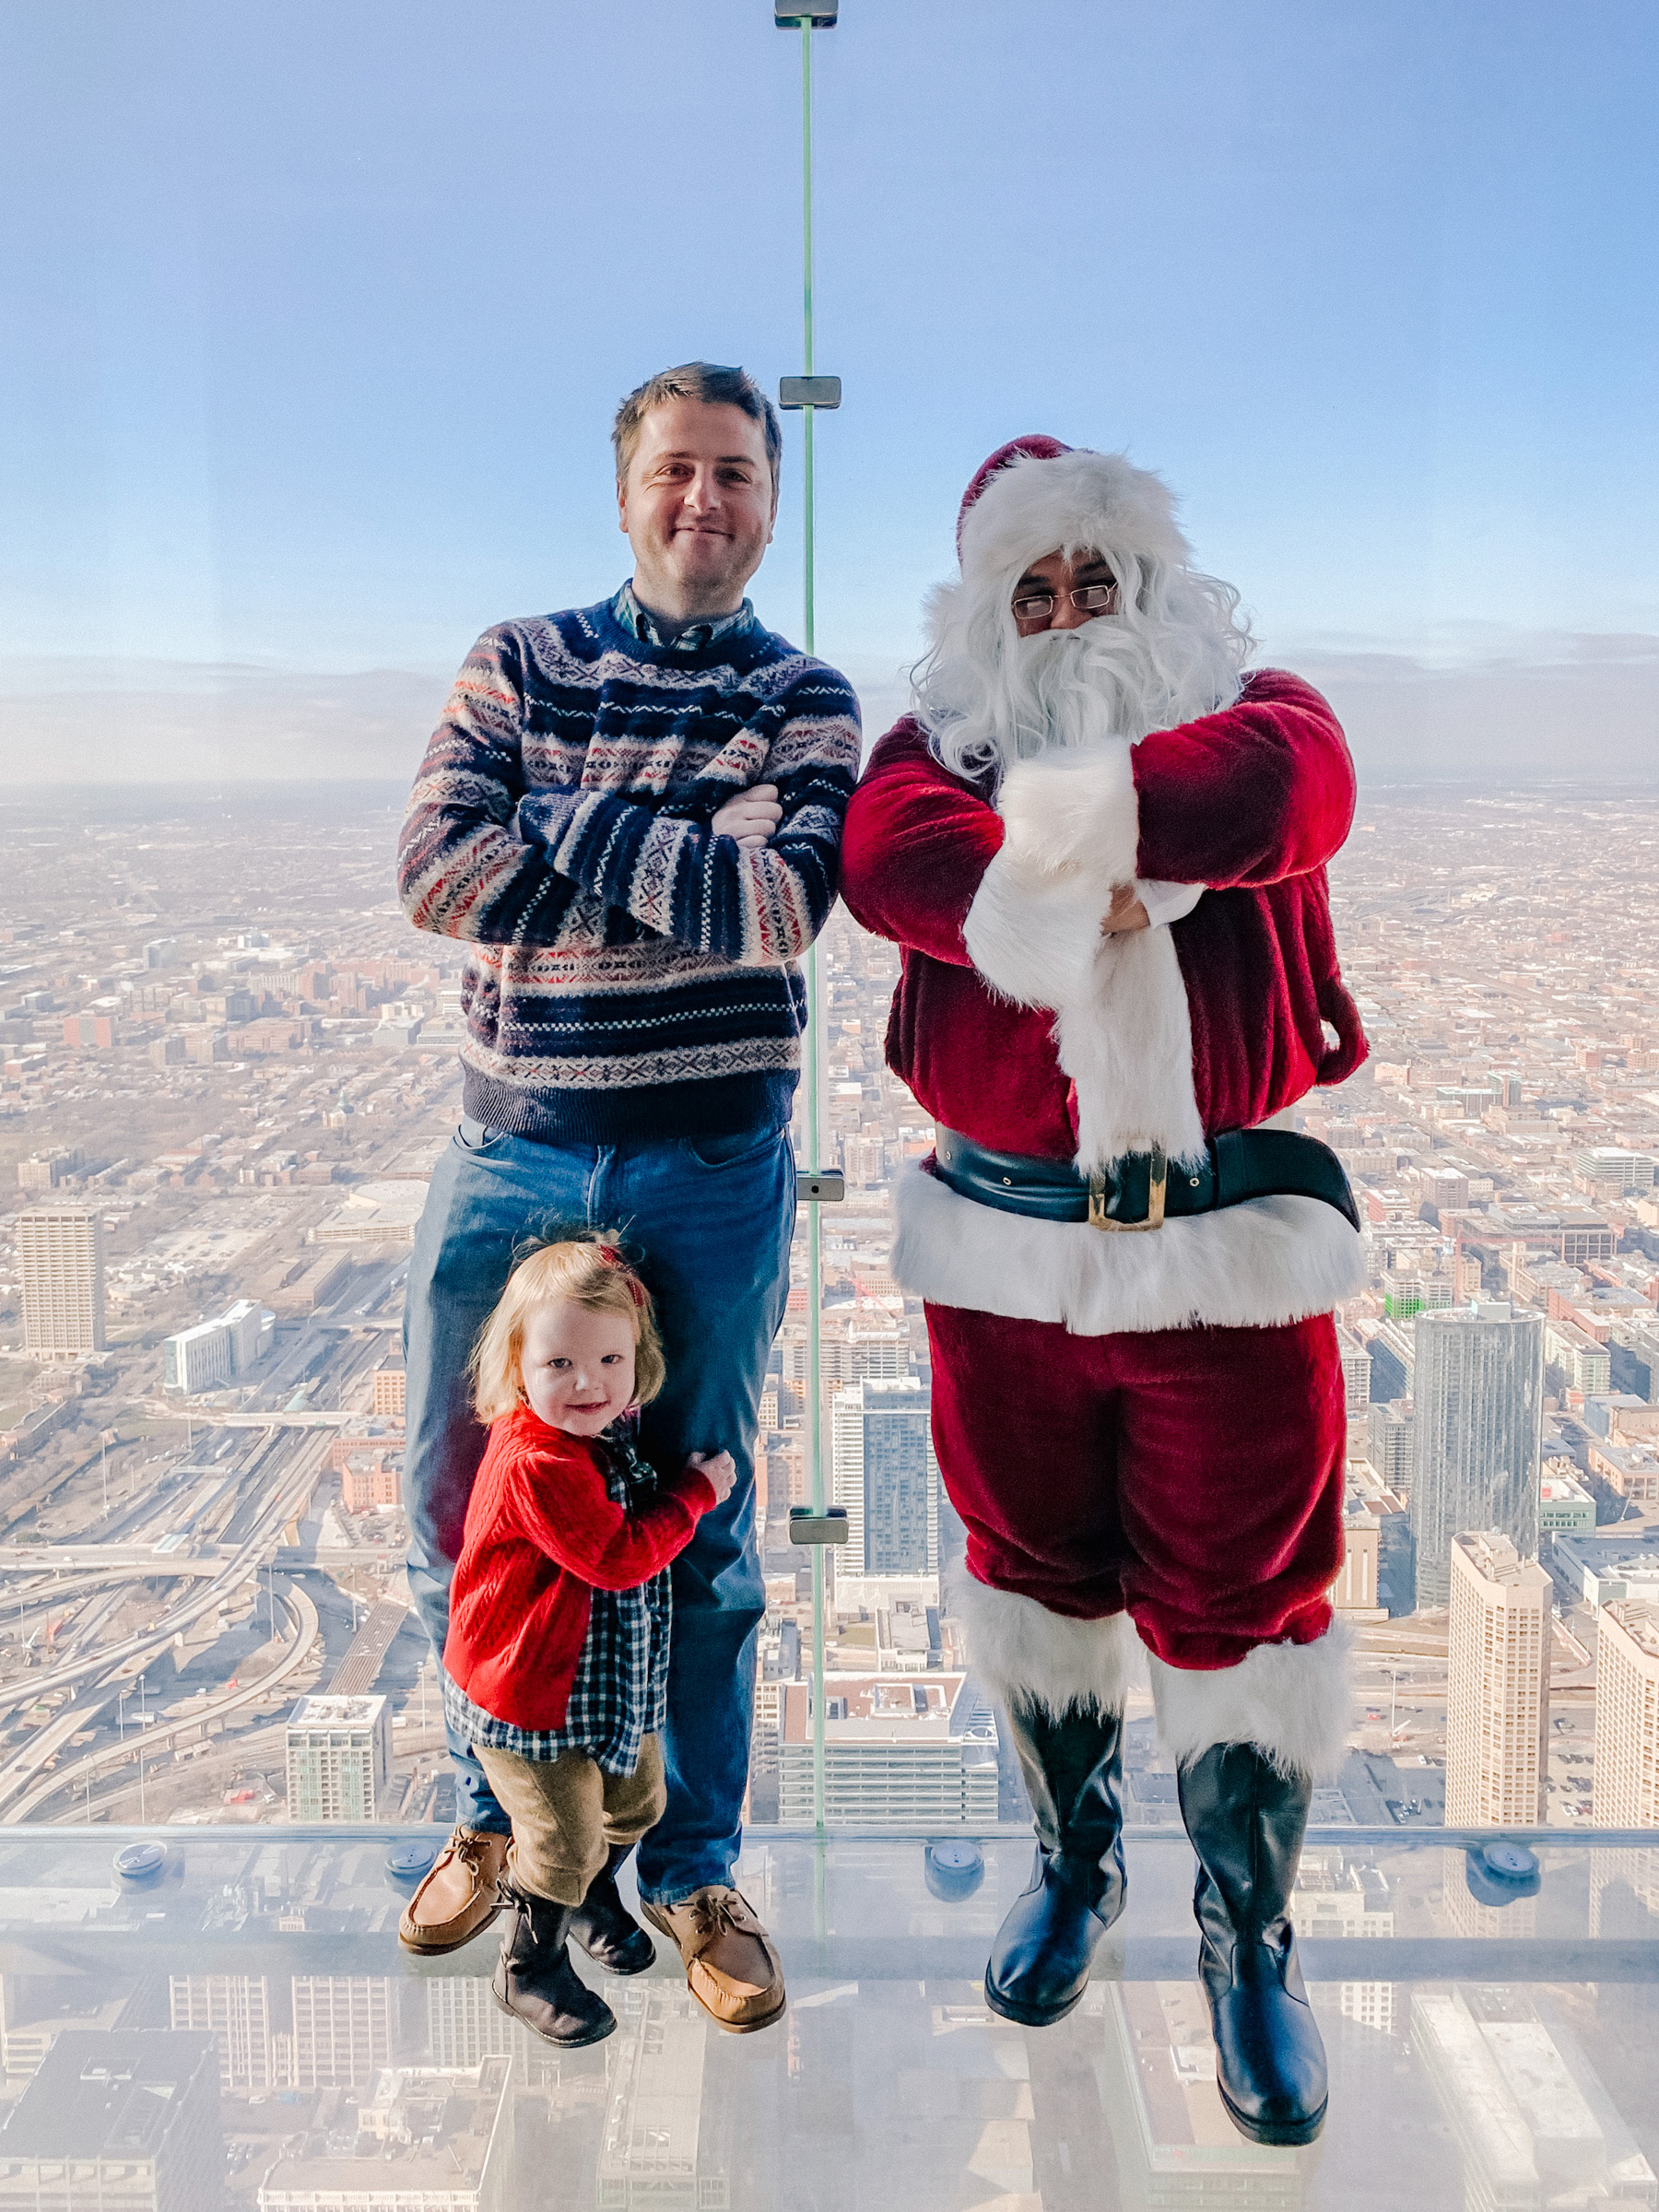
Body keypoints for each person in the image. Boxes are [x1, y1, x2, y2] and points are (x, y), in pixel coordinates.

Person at [841, 436, 1369, 2147]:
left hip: (1222, 1264)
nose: (1070, 618)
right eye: (1034, 592)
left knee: (1246, 1600)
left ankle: (1244, 1937)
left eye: (1097, 583)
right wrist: (1103, 869)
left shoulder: (1271, 708)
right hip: (1001, 1267)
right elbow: (890, 860)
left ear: (1157, 593)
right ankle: (1077, 1871)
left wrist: (1056, 855)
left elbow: (1282, 797)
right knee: (1031, 1576)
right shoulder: (931, 754)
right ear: (986, 616)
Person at [395, 362, 861, 2034]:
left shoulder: (807, 696)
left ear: (769, 504)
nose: (706, 501)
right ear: (624, 493)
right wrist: (681, 836)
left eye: (739, 474)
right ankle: (500, 1817)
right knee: (463, 1499)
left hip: (711, 1156)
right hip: (513, 1141)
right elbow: (439, 867)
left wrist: (566, 811)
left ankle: (690, 1871)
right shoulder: (518, 657)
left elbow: (777, 907)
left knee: (708, 1526)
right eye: (678, 471)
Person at [442, 1236, 737, 2045]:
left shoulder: (593, 1429)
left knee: (640, 1800)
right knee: (563, 1842)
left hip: (600, 1682)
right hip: (528, 1697)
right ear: (518, 1363)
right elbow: (613, 1558)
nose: (589, 1384)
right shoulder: (537, 1461)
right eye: (562, 1364)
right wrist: (694, 1495)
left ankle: (585, 1899)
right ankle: (526, 1965)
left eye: (610, 1360)